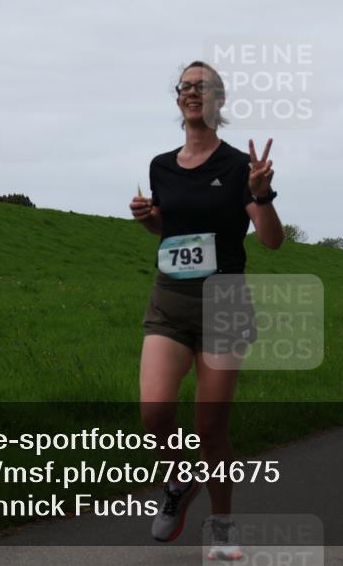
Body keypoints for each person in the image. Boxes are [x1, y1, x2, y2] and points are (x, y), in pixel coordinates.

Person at [129, 61, 284, 560]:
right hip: (169, 300)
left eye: (204, 87)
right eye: (187, 87)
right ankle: (179, 481)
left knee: (209, 428)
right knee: (154, 413)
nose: (193, 93)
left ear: (219, 101)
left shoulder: (240, 166)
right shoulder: (161, 165)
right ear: (179, 99)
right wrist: (150, 219)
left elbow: (271, 240)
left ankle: (221, 526)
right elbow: (170, 233)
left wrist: (260, 195)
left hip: (224, 305)